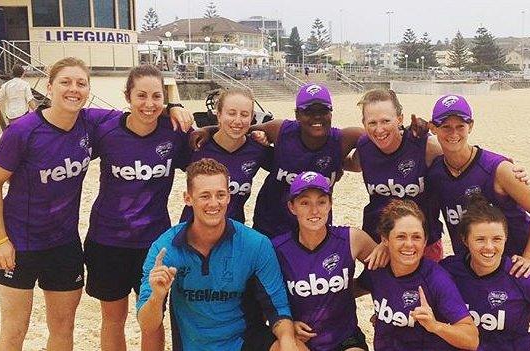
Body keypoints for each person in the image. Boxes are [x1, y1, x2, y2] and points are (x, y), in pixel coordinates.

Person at [0, 57, 117, 351]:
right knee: (14, 331)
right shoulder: (23, 132)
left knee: (63, 328)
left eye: (81, 83)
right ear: (49, 87)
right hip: (18, 244)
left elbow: (137, 117)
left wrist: (174, 108)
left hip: (64, 245)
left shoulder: (89, 124)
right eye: (65, 82)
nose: (74, 89)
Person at [426, 94, 530, 346]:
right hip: (481, 267)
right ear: (434, 129)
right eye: (445, 127)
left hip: (525, 263)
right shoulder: (436, 174)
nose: (453, 133)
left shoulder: (498, 169)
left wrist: (529, 259)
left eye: (460, 126)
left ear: (470, 127)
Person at [137, 158, 306, 351]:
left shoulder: (256, 245)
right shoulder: (166, 248)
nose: (214, 203)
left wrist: (287, 342)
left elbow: (279, 311)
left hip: (244, 342)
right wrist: (157, 296)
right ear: (188, 199)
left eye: (220, 194)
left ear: (228, 197)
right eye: (205, 196)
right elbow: (147, 325)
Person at [84, 64, 192, 351]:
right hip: (107, 240)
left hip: (155, 242)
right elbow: (68, 124)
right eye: (141, 96)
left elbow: (209, 141)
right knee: (112, 319)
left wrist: (177, 107)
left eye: (156, 97)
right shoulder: (106, 129)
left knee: (153, 320)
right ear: (128, 96)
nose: (149, 104)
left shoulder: (174, 131)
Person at [441, 195, 530, 350]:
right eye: (480, 239)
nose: (489, 247)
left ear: (506, 239)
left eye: (497, 239)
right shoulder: (448, 271)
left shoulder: (521, 275)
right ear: (465, 240)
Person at [272, 171, 388, 351]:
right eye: (304, 203)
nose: (314, 210)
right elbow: (266, 300)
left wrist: (381, 307)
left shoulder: (352, 239)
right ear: (292, 207)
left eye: (321, 201)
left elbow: (391, 273)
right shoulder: (278, 249)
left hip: (344, 339)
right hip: (301, 339)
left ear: (330, 204)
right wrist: (287, 326)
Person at [358, 199, 479, 350]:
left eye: (416, 237)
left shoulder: (436, 279)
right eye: (401, 236)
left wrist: (436, 326)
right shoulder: (378, 269)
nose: (409, 244)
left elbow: (472, 339)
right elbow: (352, 289)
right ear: (385, 240)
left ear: (425, 241)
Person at [343, 89, 445, 260]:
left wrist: (500, 163)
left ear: (400, 119)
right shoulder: (365, 147)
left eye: (386, 121)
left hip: (422, 242)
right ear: (363, 123)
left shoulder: (424, 145)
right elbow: (352, 164)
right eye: (372, 122)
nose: (379, 129)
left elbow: (459, 161)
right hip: (378, 240)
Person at [251, 83, 363, 237]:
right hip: (271, 226)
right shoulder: (280, 131)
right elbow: (236, 130)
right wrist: (209, 130)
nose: (317, 116)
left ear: (331, 113)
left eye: (323, 110)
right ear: (297, 114)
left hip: (314, 229)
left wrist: (346, 163)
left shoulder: (342, 140)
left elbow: (378, 135)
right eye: (308, 111)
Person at [179, 88, 272, 223]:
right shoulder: (197, 144)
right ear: (219, 115)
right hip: (194, 229)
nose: (238, 121)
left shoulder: (257, 149)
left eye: (244, 114)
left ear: (252, 118)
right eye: (231, 113)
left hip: (233, 231)